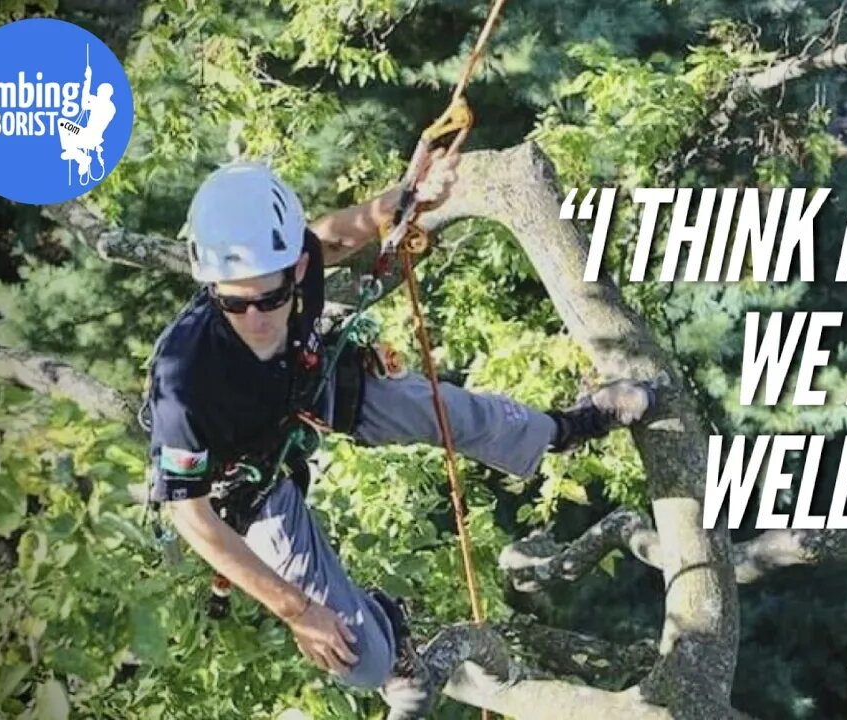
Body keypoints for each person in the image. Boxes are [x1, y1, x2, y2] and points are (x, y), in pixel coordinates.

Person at [142, 157, 657, 718]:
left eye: (269, 299)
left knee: (451, 412)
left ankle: (569, 425)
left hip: (308, 388)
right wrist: (297, 611)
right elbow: (191, 516)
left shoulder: (297, 262)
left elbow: (332, 237)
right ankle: (391, 625)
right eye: (234, 303)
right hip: (250, 483)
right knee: (362, 660)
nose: (256, 318)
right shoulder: (184, 373)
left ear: (291, 272)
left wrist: (402, 197)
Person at [58, 64, 116, 180]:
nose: (97, 93)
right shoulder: (110, 107)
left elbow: (84, 103)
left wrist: (88, 80)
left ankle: (81, 157)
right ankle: (75, 153)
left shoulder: (102, 104)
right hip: (91, 136)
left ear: (105, 93)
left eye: (99, 92)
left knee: (62, 123)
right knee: (66, 131)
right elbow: (86, 103)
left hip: (87, 136)